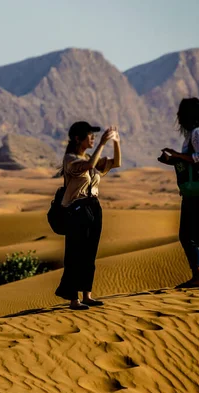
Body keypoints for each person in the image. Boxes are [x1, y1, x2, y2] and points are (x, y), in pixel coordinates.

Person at [55, 121, 121, 309]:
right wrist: (101, 143)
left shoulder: (92, 157)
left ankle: (87, 295)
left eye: (94, 136)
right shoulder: (70, 159)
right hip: (77, 210)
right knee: (75, 254)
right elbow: (90, 164)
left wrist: (116, 141)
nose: (92, 138)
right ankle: (73, 298)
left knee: (90, 254)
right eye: (89, 135)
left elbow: (116, 163)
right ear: (78, 138)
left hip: (94, 208)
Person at [160, 97, 199, 290]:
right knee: (186, 235)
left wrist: (178, 156)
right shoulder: (190, 135)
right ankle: (197, 277)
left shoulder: (197, 133)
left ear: (189, 114)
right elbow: (189, 163)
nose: (178, 116)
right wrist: (172, 160)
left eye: (181, 112)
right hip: (190, 192)